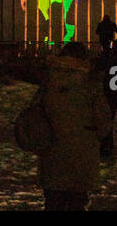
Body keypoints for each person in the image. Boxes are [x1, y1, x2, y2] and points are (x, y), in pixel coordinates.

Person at [33, 41, 112, 210]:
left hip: (52, 149)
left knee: (53, 201)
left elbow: (33, 114)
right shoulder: (91, 83)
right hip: (81, 151)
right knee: (77, 201)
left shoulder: (49, 80)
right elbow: (103, 121)